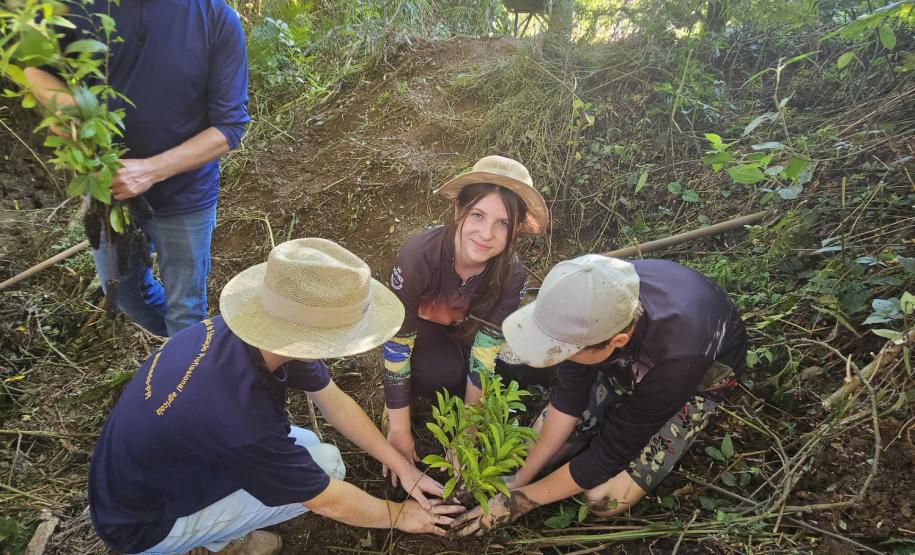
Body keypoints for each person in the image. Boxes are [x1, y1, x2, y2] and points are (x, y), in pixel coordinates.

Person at [88, 238, 462, 554]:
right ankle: (219, 540)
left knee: (311, 445)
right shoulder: (240, 414)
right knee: (328, 466)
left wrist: (404, 468)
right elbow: (325, 499)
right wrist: (400, 516)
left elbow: (334, 401)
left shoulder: (258, 336)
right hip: (141, 521)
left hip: (154, 467)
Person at [454, 254, 748, 534]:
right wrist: (520, 478)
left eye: (563, 351)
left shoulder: (680, 358)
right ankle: (613, 391)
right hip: (626, 358)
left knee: (602, 500)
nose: (556, 358)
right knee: (534, 447)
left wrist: (521, 501)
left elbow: (612, 451)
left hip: (697, 378)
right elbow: (568, 397)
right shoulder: (588, 289)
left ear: (616, 341)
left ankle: (636, 398)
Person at [24, 0, 250, 336]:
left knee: (185, 311)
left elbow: (229, 127)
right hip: (107, 192)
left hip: (185, 195)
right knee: (126, 295)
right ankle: (198, 355)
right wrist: (63, 107)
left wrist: (149, 170)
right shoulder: (77, 8)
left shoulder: (216, 18)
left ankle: (189, 371)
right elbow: (33, 65)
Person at [381, 155, 549, 483]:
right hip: (422, 331)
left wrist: (467, 435)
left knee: (511, 368)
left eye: (502, 223)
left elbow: (486, 353)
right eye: (477, 215)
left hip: (469, 331)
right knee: (438, 375)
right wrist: (399, 430)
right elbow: (396, 347)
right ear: (458, 210)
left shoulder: (511, 274)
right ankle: (398, 406)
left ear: (515, 229)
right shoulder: (417, 258)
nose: (486, 234)